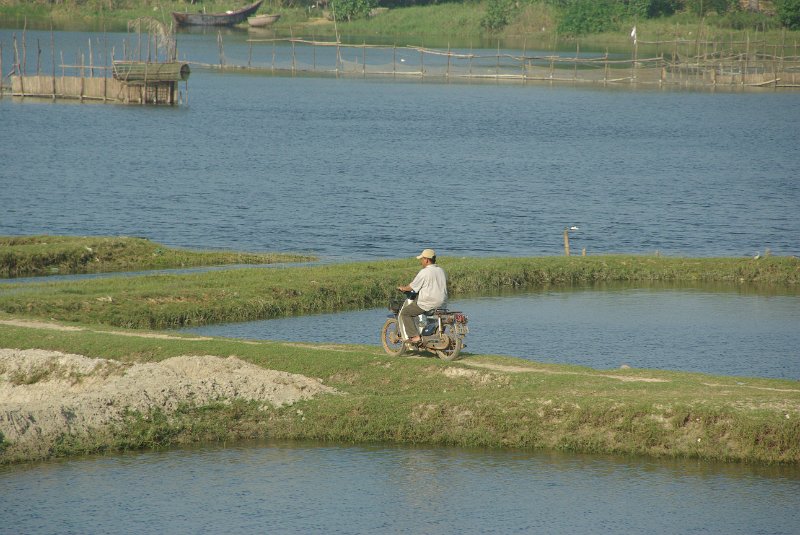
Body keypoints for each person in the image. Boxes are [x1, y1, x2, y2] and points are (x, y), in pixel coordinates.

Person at [396, 248, 448, 345]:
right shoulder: (441, 270)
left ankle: (415, 336)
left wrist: (403, 288)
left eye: (422, 259)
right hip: (442, 303)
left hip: (429, 303)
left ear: (426, 260)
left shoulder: (424, 272)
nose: (421, 261)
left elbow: (412, 286)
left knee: (405, 313)